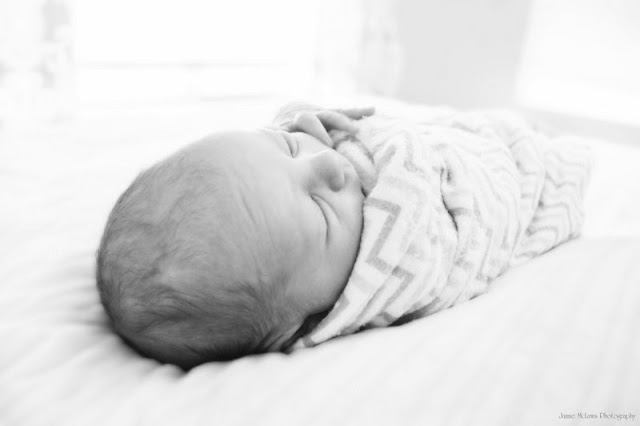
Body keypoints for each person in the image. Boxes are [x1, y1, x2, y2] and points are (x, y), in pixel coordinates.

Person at [96, 104, 374, 369]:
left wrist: (295, 122)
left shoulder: (275, 171)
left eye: (288, 147)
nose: (327, 160)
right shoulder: (383, 280)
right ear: (306, 325)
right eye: (321, 209)